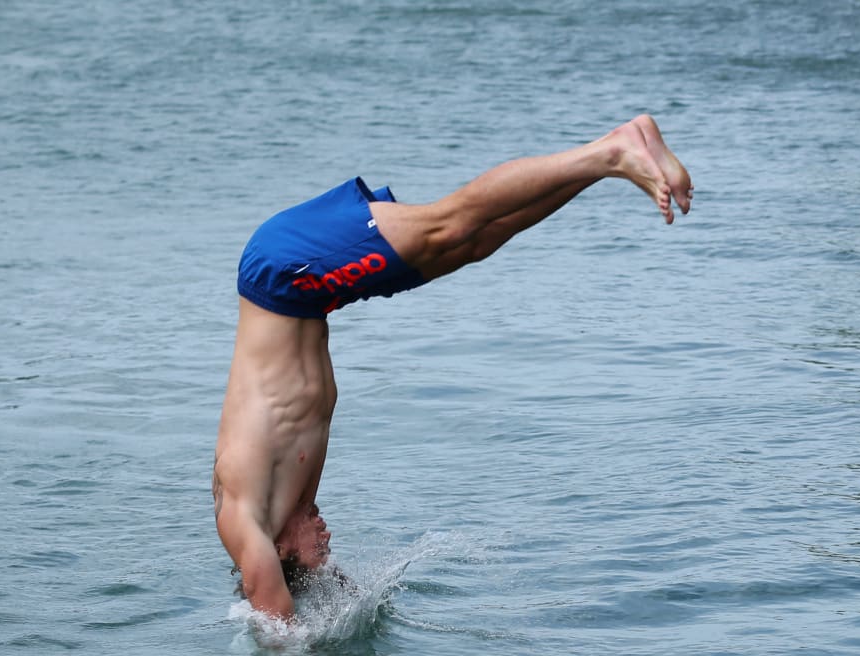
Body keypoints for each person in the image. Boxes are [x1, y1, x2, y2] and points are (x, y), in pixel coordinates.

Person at [212, 114, 693, 620]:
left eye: (318, 552)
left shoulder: (248, 522)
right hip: (308, 292)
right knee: (473, 243)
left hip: (283, 271)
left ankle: (614, 150)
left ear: (281, 554)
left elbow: (271, 616)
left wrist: (280, 617)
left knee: (452, 223)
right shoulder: (290, 505)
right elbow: (337, 602)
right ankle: (605, 163)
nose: (329, 541)